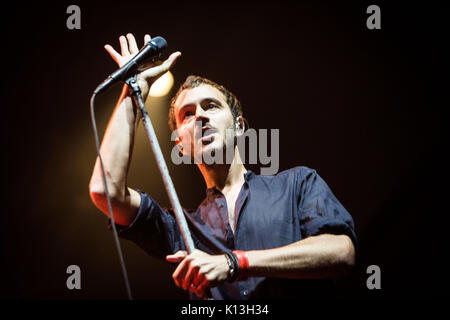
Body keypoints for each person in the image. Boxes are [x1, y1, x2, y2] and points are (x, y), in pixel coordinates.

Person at [89, 33, 357, 300]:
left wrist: (234, 263)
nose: (201, 117)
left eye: (211, 106)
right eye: (188, 115)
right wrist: (133, 94)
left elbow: (341, 252)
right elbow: (105, 190)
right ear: (180, 145)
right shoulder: (182, 228)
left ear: (239, 126)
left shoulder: (297, 184)